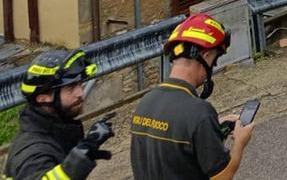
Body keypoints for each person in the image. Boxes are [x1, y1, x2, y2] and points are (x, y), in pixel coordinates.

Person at [129, 14, 254, 180]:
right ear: (207, 55)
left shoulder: (146, 102)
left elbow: (172, 144)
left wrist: (211, 130)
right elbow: (222, 177)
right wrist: (240, 142)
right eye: (215, 59)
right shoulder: (200, 112)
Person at [4, 49, 114, 180]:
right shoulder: (33, 153)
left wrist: (86, 149)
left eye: (79, 84)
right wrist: (80, 156)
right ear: (43, 99)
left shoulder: (53, 132)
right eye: (70, 88)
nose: (80, 93)